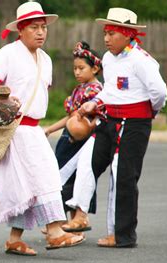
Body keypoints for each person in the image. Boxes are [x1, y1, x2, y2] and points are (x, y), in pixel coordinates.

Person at [0, 1, 84, 255]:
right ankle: (55, 232)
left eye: (43, 27)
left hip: (34, 130)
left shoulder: (45, 60)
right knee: (42, 177)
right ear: (20, 30)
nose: (40, 32)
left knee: (29, 184)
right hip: (14, 130)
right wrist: (2, 102)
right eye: (34, 27)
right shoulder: (8, 54)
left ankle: (15, 239)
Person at [78, 8, 167, 248]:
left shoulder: (141, 60)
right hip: (110, 120)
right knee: (90, 164)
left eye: (112, 33)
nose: (106, 39)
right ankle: (75, 217)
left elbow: (159, 93)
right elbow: (109, 90)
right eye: (105, 33)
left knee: (123, 176)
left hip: (134, 124)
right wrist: (94, 102)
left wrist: (151, 112)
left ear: (128, 34)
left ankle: (122, 234)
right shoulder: (109, 58)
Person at [44, 41, 103, 232]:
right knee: (61, 176)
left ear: (95, 68)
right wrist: (51, 129)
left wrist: (53, 129)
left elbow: (88, 119)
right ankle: (68, 222)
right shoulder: (80, 89)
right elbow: (71, 116)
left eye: (81, 68)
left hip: (82, 141)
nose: (77, 72)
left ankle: (79, 217)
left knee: (77, 177)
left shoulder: (96, 92)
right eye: (75, 68)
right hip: (68, 138)